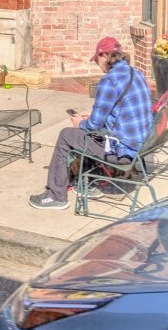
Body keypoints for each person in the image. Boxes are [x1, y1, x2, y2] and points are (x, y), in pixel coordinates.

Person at [29, 36, 153, 210]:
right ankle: (87, 183)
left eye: (97, 60)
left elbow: (93, 126)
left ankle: (55, 196)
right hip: (140, 143)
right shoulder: (136, 73)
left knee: (68, 135)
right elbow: (121, 111)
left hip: (122, 151)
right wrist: (93, 116)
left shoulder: (109, 80)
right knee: (89, 135)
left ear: (104, 56)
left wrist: (80, 123)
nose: (97, 64)